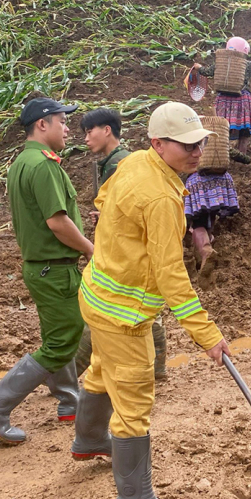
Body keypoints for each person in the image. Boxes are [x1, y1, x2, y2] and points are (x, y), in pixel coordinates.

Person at [71, 102, 230, 499]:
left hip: (96, 295)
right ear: (158, 143)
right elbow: (171, 274)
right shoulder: (160, 197)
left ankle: (89, 440)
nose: (197, 152)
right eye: (186, 145)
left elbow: (103, 200)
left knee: (103, 370)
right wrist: (207, 335)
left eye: (200, 143)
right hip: (123, 313)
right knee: (135, 402)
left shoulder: (135, 162)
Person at [0, 98, 93, 444]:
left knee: (62, 334)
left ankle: (69, 400)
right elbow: (57, 222)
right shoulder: (43, 166)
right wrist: (90, 248)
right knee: (61, 340)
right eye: (61, 121)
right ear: (43, 125)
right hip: (54, 269)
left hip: (42, 268)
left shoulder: (22, 162)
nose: (67, 128)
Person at [75, 109, 169, 381]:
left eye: (89, 131)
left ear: (106, 130)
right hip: (129, 248)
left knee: (115, 311)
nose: (85, 138)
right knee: (142, 312)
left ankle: (68, 377)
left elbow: (134, 206)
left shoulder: (120, 163)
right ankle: (157, 368)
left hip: (129, 251)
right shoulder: (115, 161)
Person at [185, 147, 251, 286]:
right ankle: (205, 252)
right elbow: (229, 151)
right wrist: (249, 159)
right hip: (221, 179)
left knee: (197, 222)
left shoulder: (194, 134)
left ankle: (206, 250)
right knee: (211, 212)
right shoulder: (217, 132)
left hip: (198, 180)